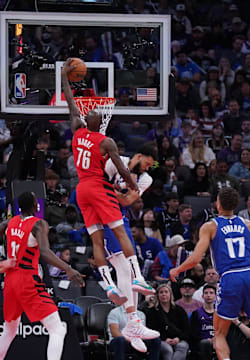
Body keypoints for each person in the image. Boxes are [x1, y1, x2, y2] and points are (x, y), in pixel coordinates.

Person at [61, 58, 149, 305]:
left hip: (81, 189)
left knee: (96, 240)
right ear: (101, 122)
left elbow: (70, 101)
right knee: (121, 233)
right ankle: (139, 278)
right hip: (99, 189)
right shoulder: (106, 142)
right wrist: (134, 185)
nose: (91, 111)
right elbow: (122, 168)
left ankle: (108, 285)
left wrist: (63, 78)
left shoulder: (78, 129)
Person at [169, 187, 250, 360]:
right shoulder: (248, 224)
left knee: (219, 333)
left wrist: (177, 269)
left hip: (230, 277)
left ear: (218, 203)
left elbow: (196, 258)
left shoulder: (210, 226)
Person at [0, 191, 84, 360]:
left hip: (10, 280)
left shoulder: (8, 223)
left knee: (10, 329)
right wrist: (68, 268)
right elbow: (45, 252)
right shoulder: (39, 224)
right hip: (27, 279)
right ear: (34, 206)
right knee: (58, 329)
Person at [102, 143, 161, 350]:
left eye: (149, 166)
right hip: (103, 217)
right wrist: (114, 192)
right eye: (145, 163)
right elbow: (97, 190)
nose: (145, 169)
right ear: (137, 155)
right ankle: (132, 322)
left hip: (120, 216)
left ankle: (133, 324)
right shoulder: (114, 163)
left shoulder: (146, 178)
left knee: (131, 268)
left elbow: (127, 201)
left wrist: (110, 190)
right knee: (124, 268)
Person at [147, 283, 190, 360]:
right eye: (161, 292)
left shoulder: (179, 310)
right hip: (162, 340)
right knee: (167, 349)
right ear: (157, 295)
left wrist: (178, 338)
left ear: (170, 294)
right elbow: (151, 329)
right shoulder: (153, 311)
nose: (164, 294)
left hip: (179, 339)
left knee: (182, 347)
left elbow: (186, 329)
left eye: (166, 292)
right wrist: (164, 339)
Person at [189, 284, 217, 360]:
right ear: (202, 296)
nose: (208, 295)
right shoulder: (196, 313)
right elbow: (193, 334)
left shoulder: (221, 314)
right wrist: (206, 339)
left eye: (211, 293)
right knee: (205, 343)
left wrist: (216, 339)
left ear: (216, 296)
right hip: (202, 342)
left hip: (218, 341)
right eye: (206, 293)